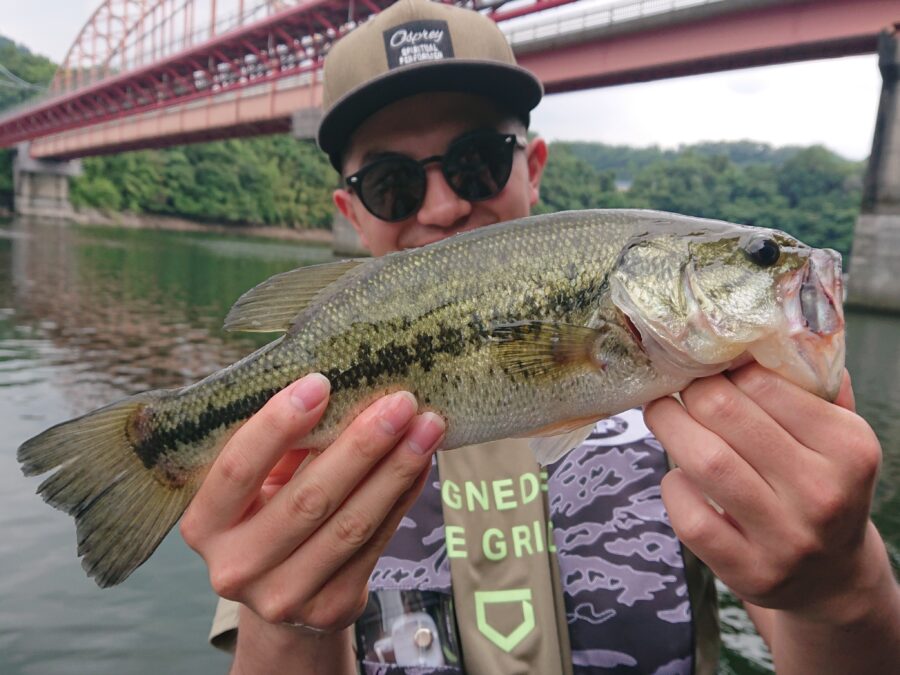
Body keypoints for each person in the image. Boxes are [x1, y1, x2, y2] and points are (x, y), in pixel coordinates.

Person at [181, 1, 900, 673]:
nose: (444, 206)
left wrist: (843, 590)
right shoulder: (291, 466)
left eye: (477, 163)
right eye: (392, 184)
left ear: (533, 168)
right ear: (350, 210)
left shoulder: (701, 417)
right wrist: (286, 623)